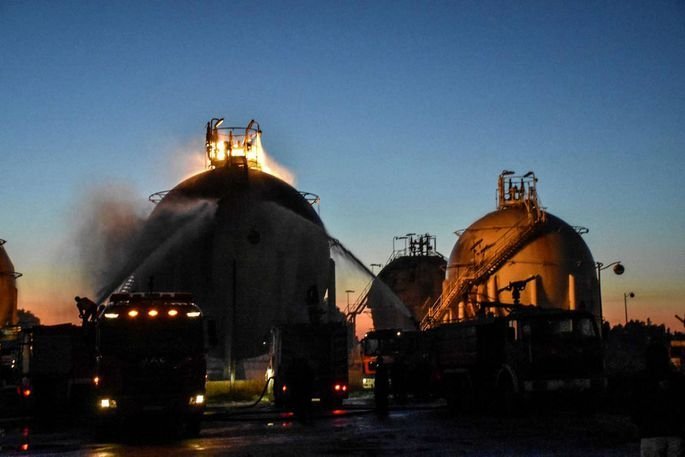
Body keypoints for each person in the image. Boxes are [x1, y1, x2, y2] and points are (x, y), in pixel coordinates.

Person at [631, 340, 685, 457]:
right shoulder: (677, 379)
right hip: (674, 433)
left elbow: (635, 406)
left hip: (650, 433)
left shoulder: (640, 380)